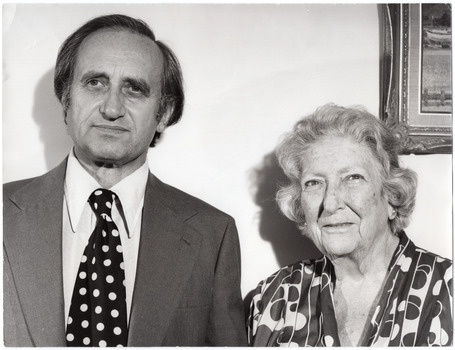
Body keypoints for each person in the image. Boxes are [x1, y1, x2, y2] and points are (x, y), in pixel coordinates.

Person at [3, 14, 246, 347]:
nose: (112, 108)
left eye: (134, 90)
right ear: (65, 99)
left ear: (163, 114)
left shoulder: (212, 235)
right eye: (95, 83)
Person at [247, 104, 452, 347]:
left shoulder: (447, 290)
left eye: (353, 178)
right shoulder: (273, 297)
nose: (331, 203)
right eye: (314, 183)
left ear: (391, 196)